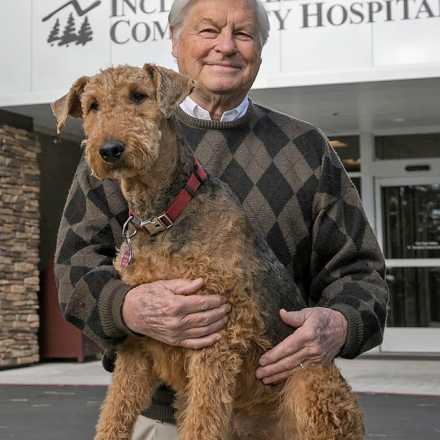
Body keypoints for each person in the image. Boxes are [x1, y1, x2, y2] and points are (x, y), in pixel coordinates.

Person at [54, 0, 389, 438]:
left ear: (261, 51)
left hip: (281, 408)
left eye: (243, 34)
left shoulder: (307, 148)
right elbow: (72, 268)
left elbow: (362, 274)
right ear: (175, 43)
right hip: (167, 417)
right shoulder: (112, 152)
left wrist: (340, 324)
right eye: (208, 31)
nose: (226, 47)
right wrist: (127, 307)